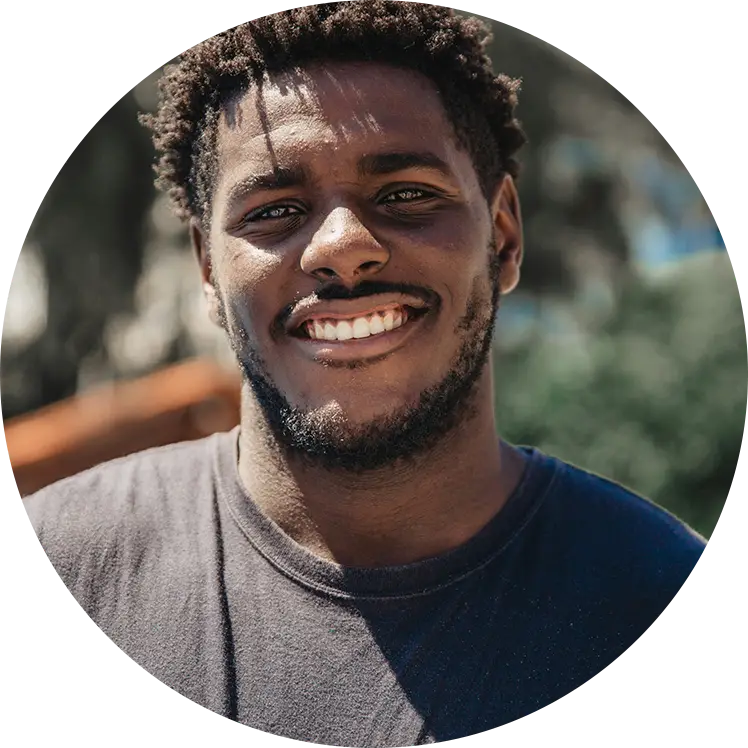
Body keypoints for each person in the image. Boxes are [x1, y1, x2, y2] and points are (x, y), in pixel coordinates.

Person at [19, 2, 708, 744]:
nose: (343, 246)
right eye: (276, 209)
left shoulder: (652, 590)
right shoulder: (70, 563)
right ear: (209, 270)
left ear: (503, 237)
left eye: (407, 195)